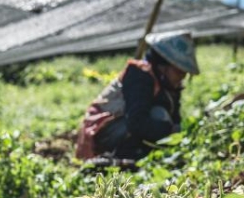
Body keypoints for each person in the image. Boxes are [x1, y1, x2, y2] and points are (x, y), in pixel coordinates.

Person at [75, 31, 199, 161]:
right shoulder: (140, 75)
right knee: (159, 114)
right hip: (106, 132)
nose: (182, 77)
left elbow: (175, 119)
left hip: (130, 128)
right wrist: (169, 131)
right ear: (164, 66)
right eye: (179, 72)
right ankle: (123, 155)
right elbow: (137, 122)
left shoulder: (169, 84)